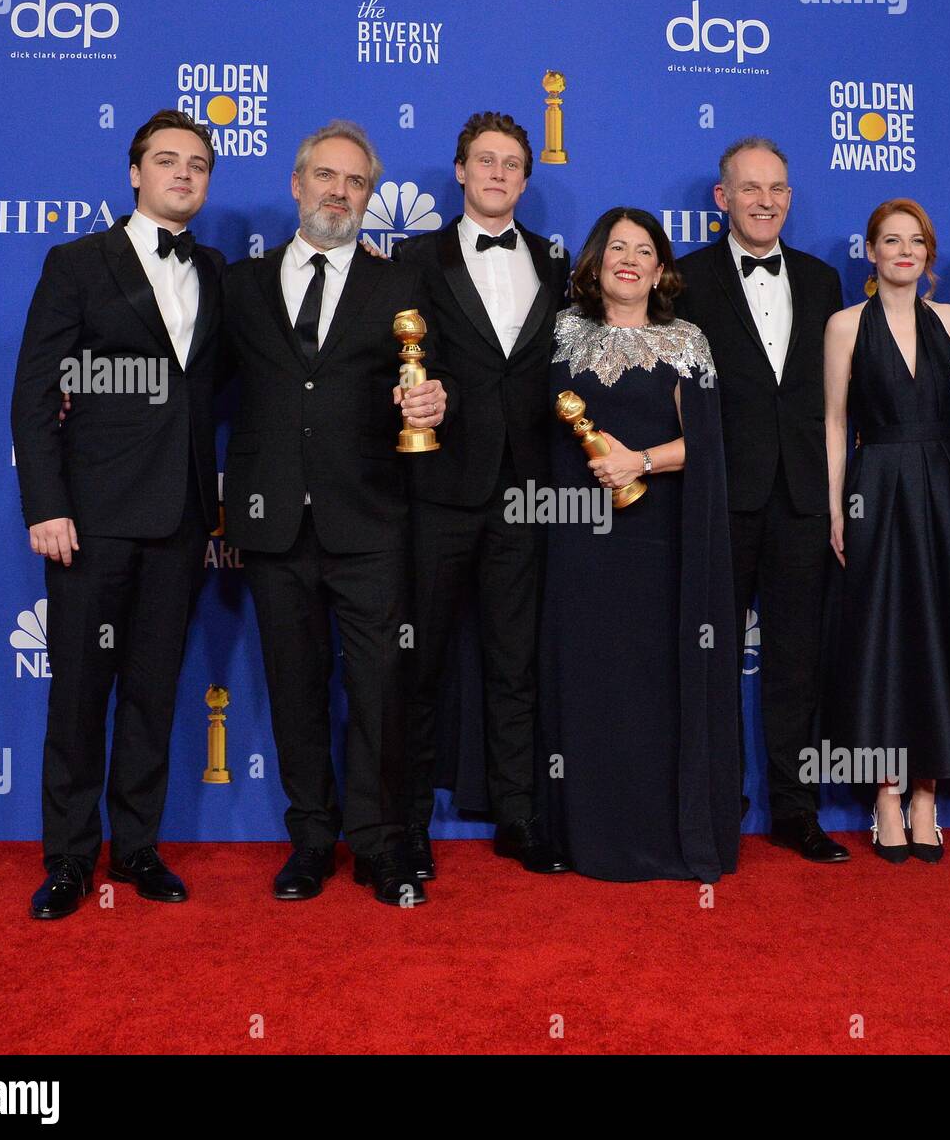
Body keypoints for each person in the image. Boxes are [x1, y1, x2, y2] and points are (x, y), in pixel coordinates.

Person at [221, 120, 448, 906]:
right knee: (294, 684)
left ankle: (381, 843)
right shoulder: (240, 285)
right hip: (273, 518)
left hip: (370, 518)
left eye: (355, 182)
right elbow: (194, 381)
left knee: (381, 685)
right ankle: (312, 839)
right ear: (296, 183)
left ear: (369, 196)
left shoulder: (400, 285)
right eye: (325, 176)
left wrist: (432, 398)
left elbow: (428, 382)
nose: (338, 192)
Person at [11, 109, 223, 918]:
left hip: (181, 517)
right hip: (90, 517)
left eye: (198, 164)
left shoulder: (216, 270)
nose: (182, 174)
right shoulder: (76, 262)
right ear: (134, 173)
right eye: (167, 160)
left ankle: (137, 849)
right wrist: (46, 503)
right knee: (77, 695)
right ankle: (68, 860)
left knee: (154, 691)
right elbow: (34, 392)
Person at [824, 198, 950, 863]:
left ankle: (924, 795)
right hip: (879, 489)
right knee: (886, 637)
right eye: (891, 239)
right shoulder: (844, 325)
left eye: (916, 241)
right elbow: (834, 423)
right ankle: (885, 792)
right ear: (872, 252)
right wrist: (837, 507)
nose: (905, 251)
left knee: (941, 634)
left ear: (929, 254)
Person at [392, 112, 569, 879]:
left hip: (530, 490)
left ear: (525, 180)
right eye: (483, 161)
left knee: (515, 661)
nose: (497, 174)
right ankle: (404, 826)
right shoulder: (409, 260)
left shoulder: (556, 265)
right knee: (417, 661)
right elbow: (388, 365)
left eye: (511, 164)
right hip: (437, 486)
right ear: (459, 171)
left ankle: (519, 815)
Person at [542, 207, 741, 881]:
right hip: (579, 549)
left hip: (660, 547)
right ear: (596, 263)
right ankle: (588, 836)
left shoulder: (685, 342)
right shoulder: (563, 333)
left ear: (660, 270)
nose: (629, 258)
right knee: (592, 684)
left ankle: (662, 836)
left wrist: (641, 462)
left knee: (652, 687)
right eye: (617, 247)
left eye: (644, 249)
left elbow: (710, 445)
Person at [675, 138, 849, 864]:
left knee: (797, 664)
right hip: (719, 495)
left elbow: (835, 398)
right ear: (722, 198)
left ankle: (796, 810)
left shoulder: (824, 279)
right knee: (710, 658)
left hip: (805, 496)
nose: (766, 200)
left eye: (778, 187)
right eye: (750, 188)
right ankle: (717, 807)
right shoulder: (682, 280)